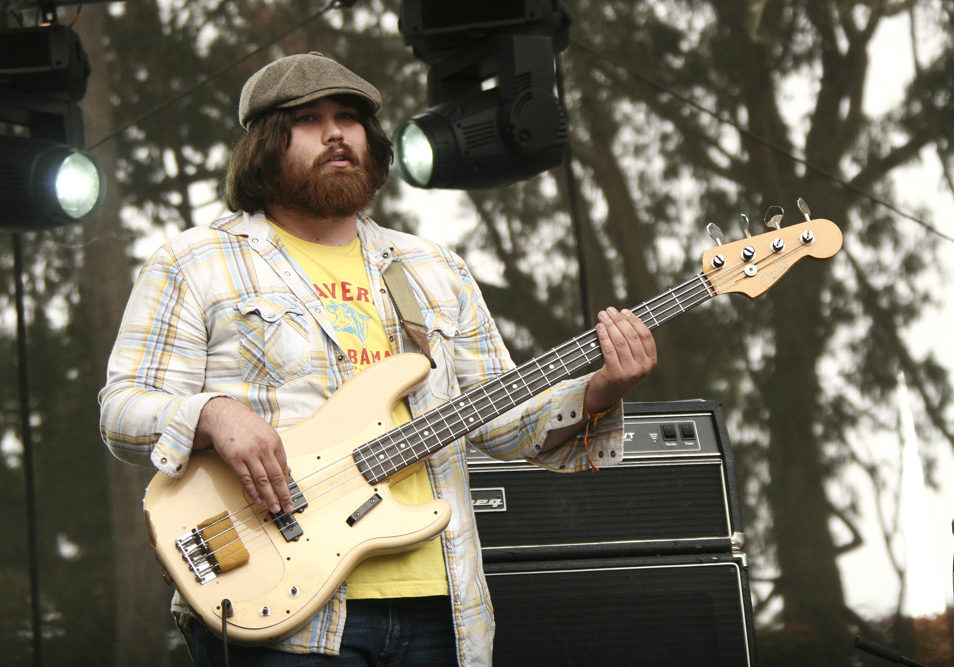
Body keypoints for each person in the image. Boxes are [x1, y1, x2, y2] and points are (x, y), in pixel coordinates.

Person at [99, 52, 657, 666]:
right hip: (284, 610)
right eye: (308, 119)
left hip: (441, 606)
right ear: (263, 145)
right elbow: (124, 412)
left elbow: (504, 418)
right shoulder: (195, 262)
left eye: (350, 117)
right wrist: (214, 414)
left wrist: (601, 390)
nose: (337, 132)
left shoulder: (432, 268)